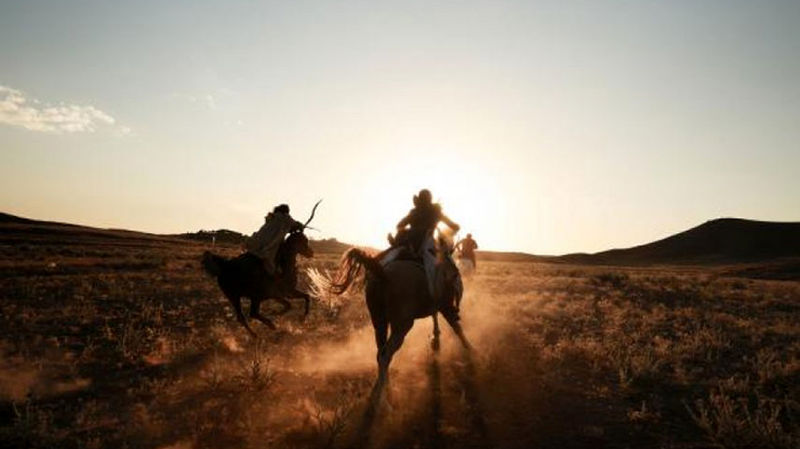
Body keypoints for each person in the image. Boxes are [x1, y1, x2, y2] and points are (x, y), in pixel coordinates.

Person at [384, 189, 460, 296]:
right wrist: (450, 232)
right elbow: (455, 226)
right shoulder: (436, 212)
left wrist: (408, 231)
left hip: (409, 243)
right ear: (430, 199)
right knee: (448, 267)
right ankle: (447, 301)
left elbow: (399, 225)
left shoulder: (414, 212)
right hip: (428, 244)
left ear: (419, 200)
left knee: (390, 256)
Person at [245, 204, 304, 276]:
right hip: (268, 244)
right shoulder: (285, 218)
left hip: (255, 241)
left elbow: (279, 228)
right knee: (270, 262)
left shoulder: (272, 218)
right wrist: (301, 226)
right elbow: (296, 224)